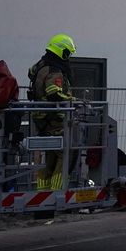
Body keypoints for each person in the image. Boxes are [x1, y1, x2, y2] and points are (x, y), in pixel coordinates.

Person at [28, 33, 75, 189]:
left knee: (50, 157)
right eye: (68, 53)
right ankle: (57, 192)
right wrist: (71, 100)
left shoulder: (40, 65)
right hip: (54, 119)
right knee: (65, 155)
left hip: (41, 118)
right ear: (62, 51)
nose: (68, 58)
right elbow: (54, 93)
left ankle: (43, 191)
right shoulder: (55, 70)